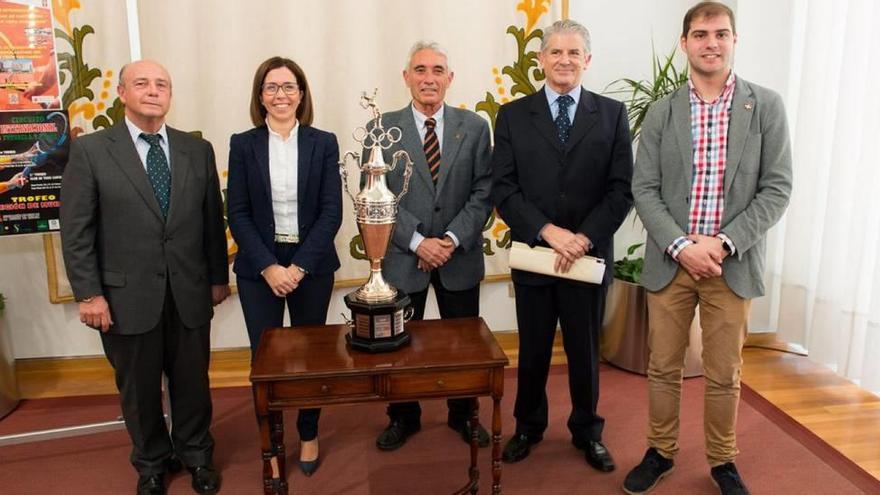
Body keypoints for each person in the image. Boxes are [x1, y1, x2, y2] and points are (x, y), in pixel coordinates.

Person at [623, 3, 793, 494]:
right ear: (685, 43)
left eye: (721, 33)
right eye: (700, 34)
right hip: (671, 263)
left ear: (734, 40)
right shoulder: (662, 111)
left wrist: (721, 243)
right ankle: (660, 452)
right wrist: (681, 246)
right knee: (663, 368)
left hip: (729, 265)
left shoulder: (766, 106)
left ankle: (722, 461)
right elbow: (645, 188)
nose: (711, 42)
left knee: (725, 372)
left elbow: (777, 189)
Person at [60, 60, 229, 495]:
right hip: (123, 297)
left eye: (162, 84)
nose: (153, 91)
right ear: (121, 92)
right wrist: (89, 294)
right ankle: (152, 463)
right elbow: (77, 230)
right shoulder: (92, 150)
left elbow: (212, 221)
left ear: (170, 94)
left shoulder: (197, 150)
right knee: (138, 388)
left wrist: (217, 277)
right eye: (142, 83)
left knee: (193, 381)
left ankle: (196, 455)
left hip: (189, 291)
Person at [491, 20, 633, 471]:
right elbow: (504, 189)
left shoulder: (612, 114)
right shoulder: (513, 116)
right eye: (555, 52)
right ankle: (529, 427)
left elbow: (620, 190)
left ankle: (587, 431)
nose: (565, 60)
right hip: (536, 254)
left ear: (587, 60)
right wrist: (549, 232)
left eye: (574, 53)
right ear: (541, 60)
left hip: (587, 259)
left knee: (585, 351)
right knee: (532, 349)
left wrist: (584, 238)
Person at [366, 41, 493, 452]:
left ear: (450, 79)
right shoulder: (381, 128)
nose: (429, 78)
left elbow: (483, 191)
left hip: (459, 256)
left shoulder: (474, 127)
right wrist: (420, 242)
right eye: (420, 69)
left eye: (438, 70)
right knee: (400, 345)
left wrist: (450, 240)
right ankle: (404, 416)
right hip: (405, 258)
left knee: (463, 345)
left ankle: (463, 414)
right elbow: (377, 194)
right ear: (406, 77)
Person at [226, 56, 342, 477]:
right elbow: (236, 212)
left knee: (310, 358)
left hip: (311, 263)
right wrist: (269, 267)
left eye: (289, 87)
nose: (281, 95)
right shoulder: (243, 143)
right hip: (260, 266)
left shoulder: (323, 142)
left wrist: (299, 268)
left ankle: (308, 433)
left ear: (301, 94)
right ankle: (271, 442)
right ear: (260, 96)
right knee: (266, 361)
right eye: (272, 87)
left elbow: (332, 212)